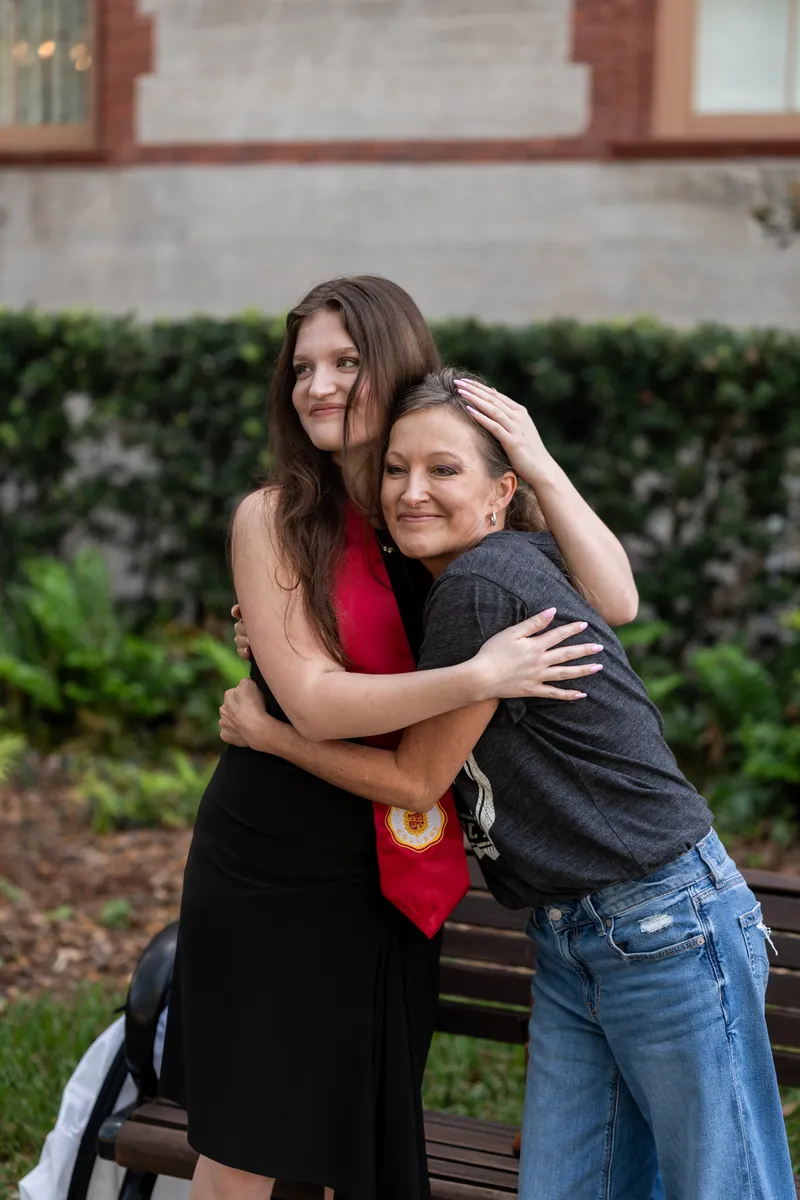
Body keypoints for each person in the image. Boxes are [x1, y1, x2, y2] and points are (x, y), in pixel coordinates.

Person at [222, 367, 794, 1200]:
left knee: (726, 1187)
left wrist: (271, 735)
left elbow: (417, 780)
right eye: (396, 470)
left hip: (662, 922)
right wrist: (285, 634)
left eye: (444, 470)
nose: (411, 491)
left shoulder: (485, 589)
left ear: (500, 495)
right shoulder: (480, 574)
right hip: (577, 938)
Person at [159, 277, 639, 1200]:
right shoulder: (275, 518)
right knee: (249, 1142)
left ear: (398, 362)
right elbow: (311, 700)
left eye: (345, 362)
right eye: (302, 368)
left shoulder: (432, 503)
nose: (317, 385)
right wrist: (477, 677)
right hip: (278, 862)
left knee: (362, 1131)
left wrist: (536, 462)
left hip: (397, 861)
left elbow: (613, 600)